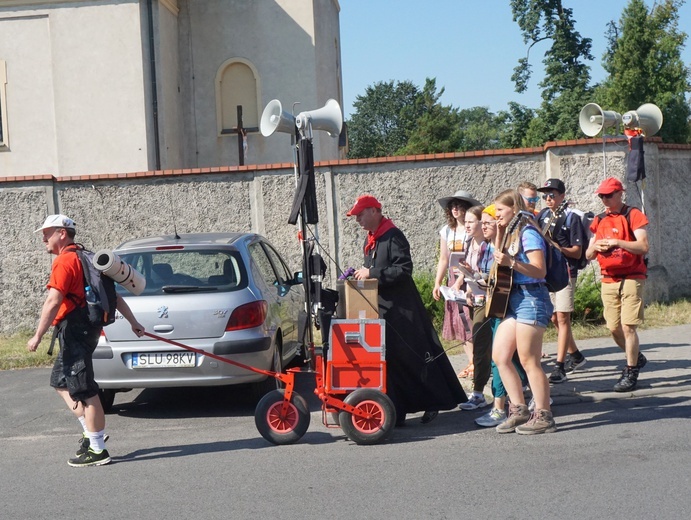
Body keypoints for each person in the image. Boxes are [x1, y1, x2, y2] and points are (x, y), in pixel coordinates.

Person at [27, 214, 145, 467]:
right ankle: (89, 430)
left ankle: (98, 449)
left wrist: (37, 335)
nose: (43, 238)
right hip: (85, 329)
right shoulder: (88, 257)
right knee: (60, 381)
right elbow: (115, 298)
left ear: (62, 233)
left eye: (47, 232)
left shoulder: (65, 261)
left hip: (76, 330)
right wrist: (134, 322)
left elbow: (53, 301)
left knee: (85, 389)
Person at [347, 195, 467, 426]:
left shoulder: (393, 235)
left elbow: (403, 270)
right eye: (356, 216)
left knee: (414, 358)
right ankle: (397, 409)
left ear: (374, 211)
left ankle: (434, 401)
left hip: (403, 310)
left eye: (361, 214)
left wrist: (372, 274)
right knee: (391, 362)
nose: (358, 220)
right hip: (383, 309)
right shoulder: (371, 239)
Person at [490, 190, 556, 434]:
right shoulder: (510, 233)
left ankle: (544, 415)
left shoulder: (528, 233)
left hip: (532, 297)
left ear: (514, 208)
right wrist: (498, 236)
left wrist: (512, 263)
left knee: (529, 360)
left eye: (500, 210)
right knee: (500, 356)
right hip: (514, 299)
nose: (496, 215)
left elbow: (540, 271)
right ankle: (519, 410)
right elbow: (499, 266)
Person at [585, 178, 649, 392]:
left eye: (608, 195)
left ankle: (630, 371)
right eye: (601, 196)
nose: (604, 199)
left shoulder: (633, 215)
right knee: (613, 327)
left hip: (632, 276)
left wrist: (617, 242)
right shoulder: (599, 219)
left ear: (620, 194)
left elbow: (643, 246)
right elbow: (587, 254)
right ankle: (636, 356)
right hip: (609, 278)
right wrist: (597, 247)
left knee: (628, 326)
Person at [536, 178, 588, 383]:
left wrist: (558, 247)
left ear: (562, 196)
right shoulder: (542, 216)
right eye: (545, 195)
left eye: (552, 195)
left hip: (566, 272)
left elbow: (577, 252)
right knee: (555, 319)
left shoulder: (571, 218)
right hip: (548, 273)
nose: (548, 199)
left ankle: (559, 367)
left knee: (563, 318)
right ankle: (576, 356)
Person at [433, 190, 482, 379]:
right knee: (458, 323)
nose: (455, 209)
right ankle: (471, 361)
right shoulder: (447, 230)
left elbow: (472, 257)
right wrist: (438, 282)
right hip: (452, 281)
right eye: (452, 206)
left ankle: (477, 362)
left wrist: (461, 280)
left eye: (459, 205)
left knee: (470, 321)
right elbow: (444, 258)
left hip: (468, 279)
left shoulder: (472, 230)